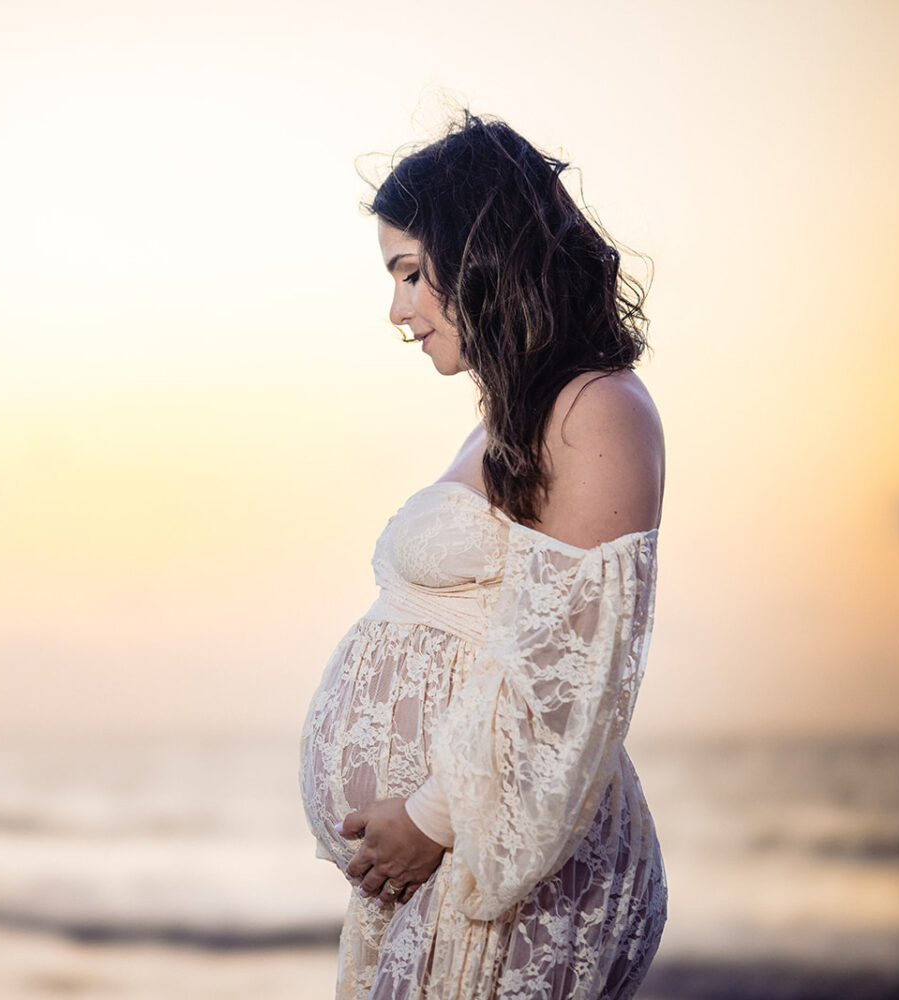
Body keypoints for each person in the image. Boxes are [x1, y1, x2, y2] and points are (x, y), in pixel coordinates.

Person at [298, 111, 667, 1000]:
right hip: (443, 873)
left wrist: (429, 817)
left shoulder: (596, 409)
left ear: (484, 253)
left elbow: (565, 670)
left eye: (413, 273)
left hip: (502, 881)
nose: (398, 310)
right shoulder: (512, 420)